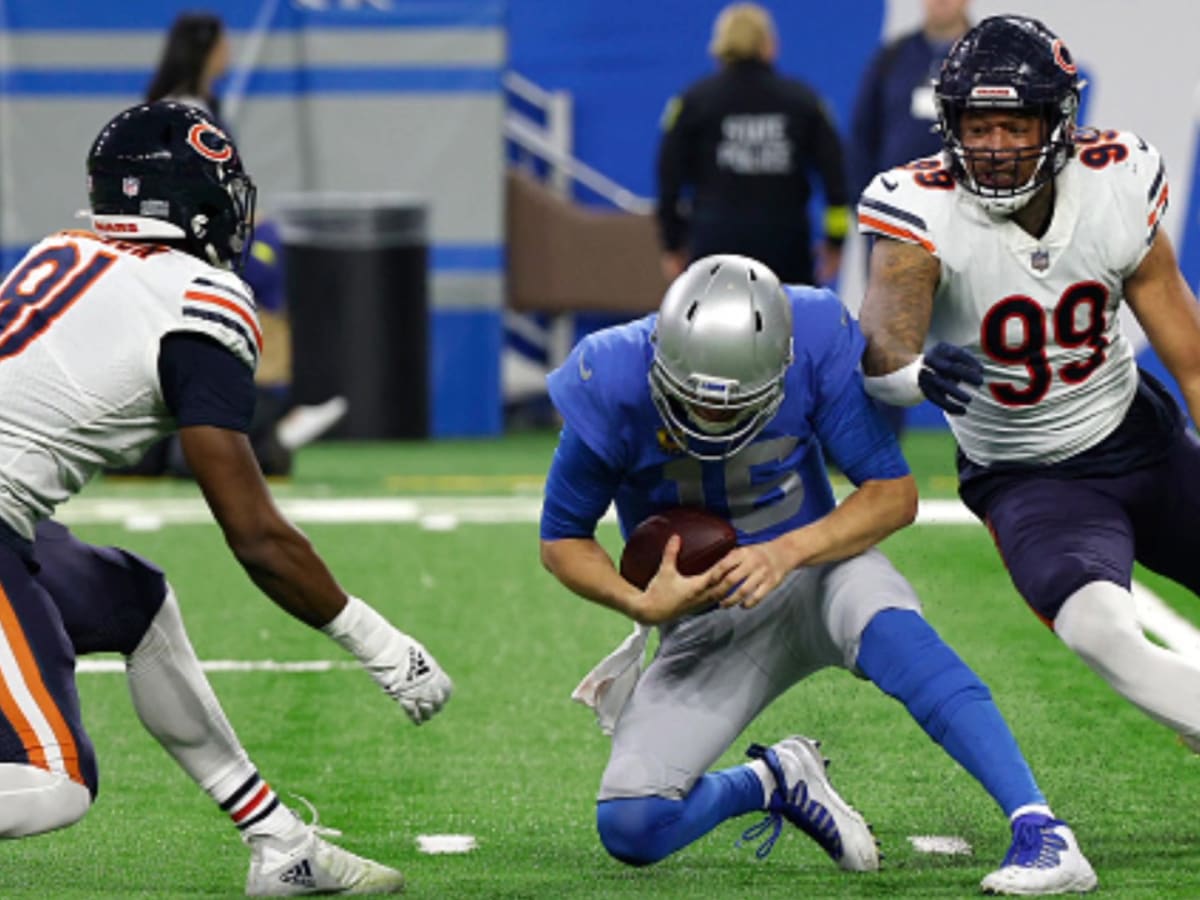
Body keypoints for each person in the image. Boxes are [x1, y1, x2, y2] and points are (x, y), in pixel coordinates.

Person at [0, 101, 453, 895]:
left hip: (14, 521)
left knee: (134, 601)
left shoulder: (62, 250)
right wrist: (381, 644)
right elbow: (255, 535)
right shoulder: (194, 298)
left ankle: (280, 846)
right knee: (51, 784)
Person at [539, 253, 1095, 894]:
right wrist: (641, 604)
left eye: (733, 404)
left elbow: (892, 494)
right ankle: (775, 780)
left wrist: (785, 553)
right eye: (694, 401)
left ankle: (1041, 830)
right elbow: (561, 540)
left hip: (814, 574)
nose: (713, 419)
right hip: (705, 618)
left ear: (781, 365)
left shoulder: (815, 335)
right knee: (633, 824)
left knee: (895, 631)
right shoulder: (608, 374)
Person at [857, 16, 1200, 764]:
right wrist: (916, 376)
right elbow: (882, 351)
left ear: (1058, 121)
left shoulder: (1116, 181)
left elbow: (1194, 360)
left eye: (1015, 125)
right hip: (1030, 480)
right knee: (1102, 633)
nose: (997, 147)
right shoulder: (920, 207)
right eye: (978, 126)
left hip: (1138, 437)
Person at [654, 3, 849, 287]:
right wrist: (835, 242)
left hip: (715, 246)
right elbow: (836, 181)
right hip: (786, 247)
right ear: (769, 45)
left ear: (720, 45)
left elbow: (668, 181)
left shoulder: (693, 103)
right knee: (789, 328)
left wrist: (672, 244)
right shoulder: (804, 102)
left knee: (715, 329)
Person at [847, 0, 972, 204]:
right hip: (898, 208)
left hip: (967, 209)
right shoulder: (892, 57)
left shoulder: (989, 59)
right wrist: (866, 202)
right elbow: (863, 134)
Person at [146, 11, 231, 129]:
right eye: (221, 45)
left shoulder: (204, 105)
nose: (228, 53)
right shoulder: (181, 113)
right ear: (206, 52)